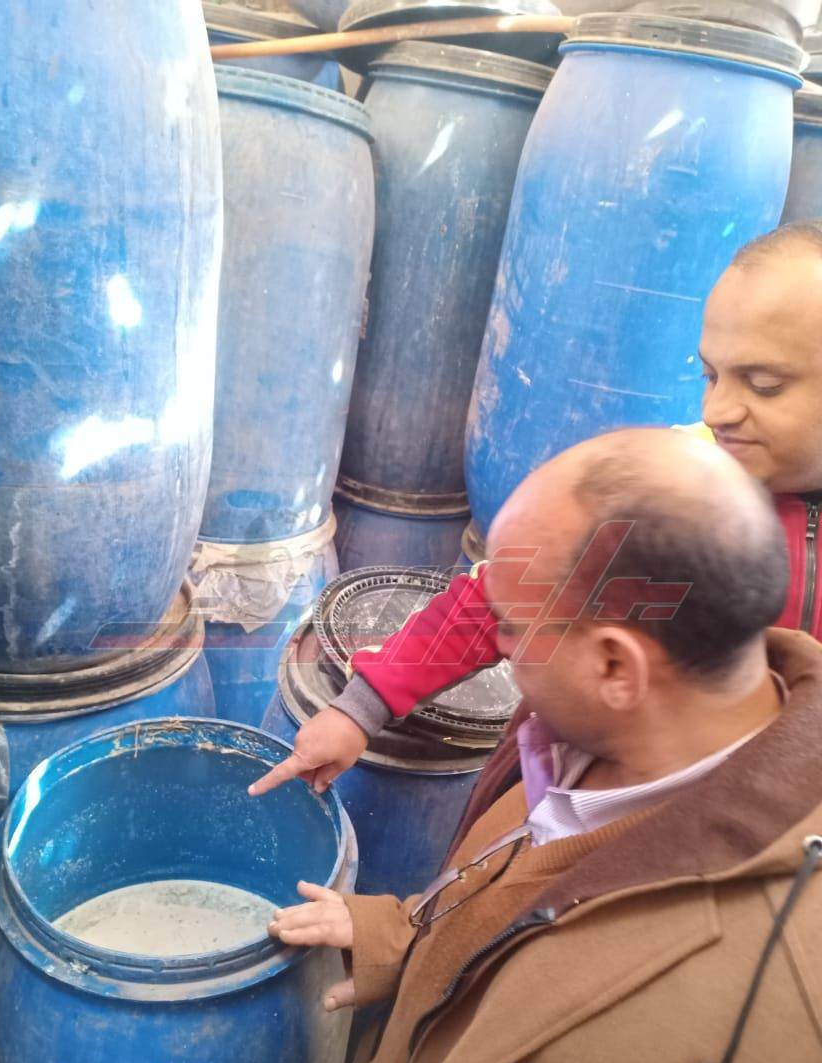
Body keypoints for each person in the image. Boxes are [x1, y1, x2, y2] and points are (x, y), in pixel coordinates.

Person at [268, 429, 822, 1063]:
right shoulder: (582, 746)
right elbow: (514, 907)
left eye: (511, 626)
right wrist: (401, 938)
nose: (494, 644)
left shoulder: (784, 1009)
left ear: (616, 668)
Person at [249, 220, 822, 801]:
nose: (719, 409)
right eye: (710, 375)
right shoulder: (675, 481)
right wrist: (362, 707)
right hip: (584, 798)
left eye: (764, 385)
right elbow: (501, 595)